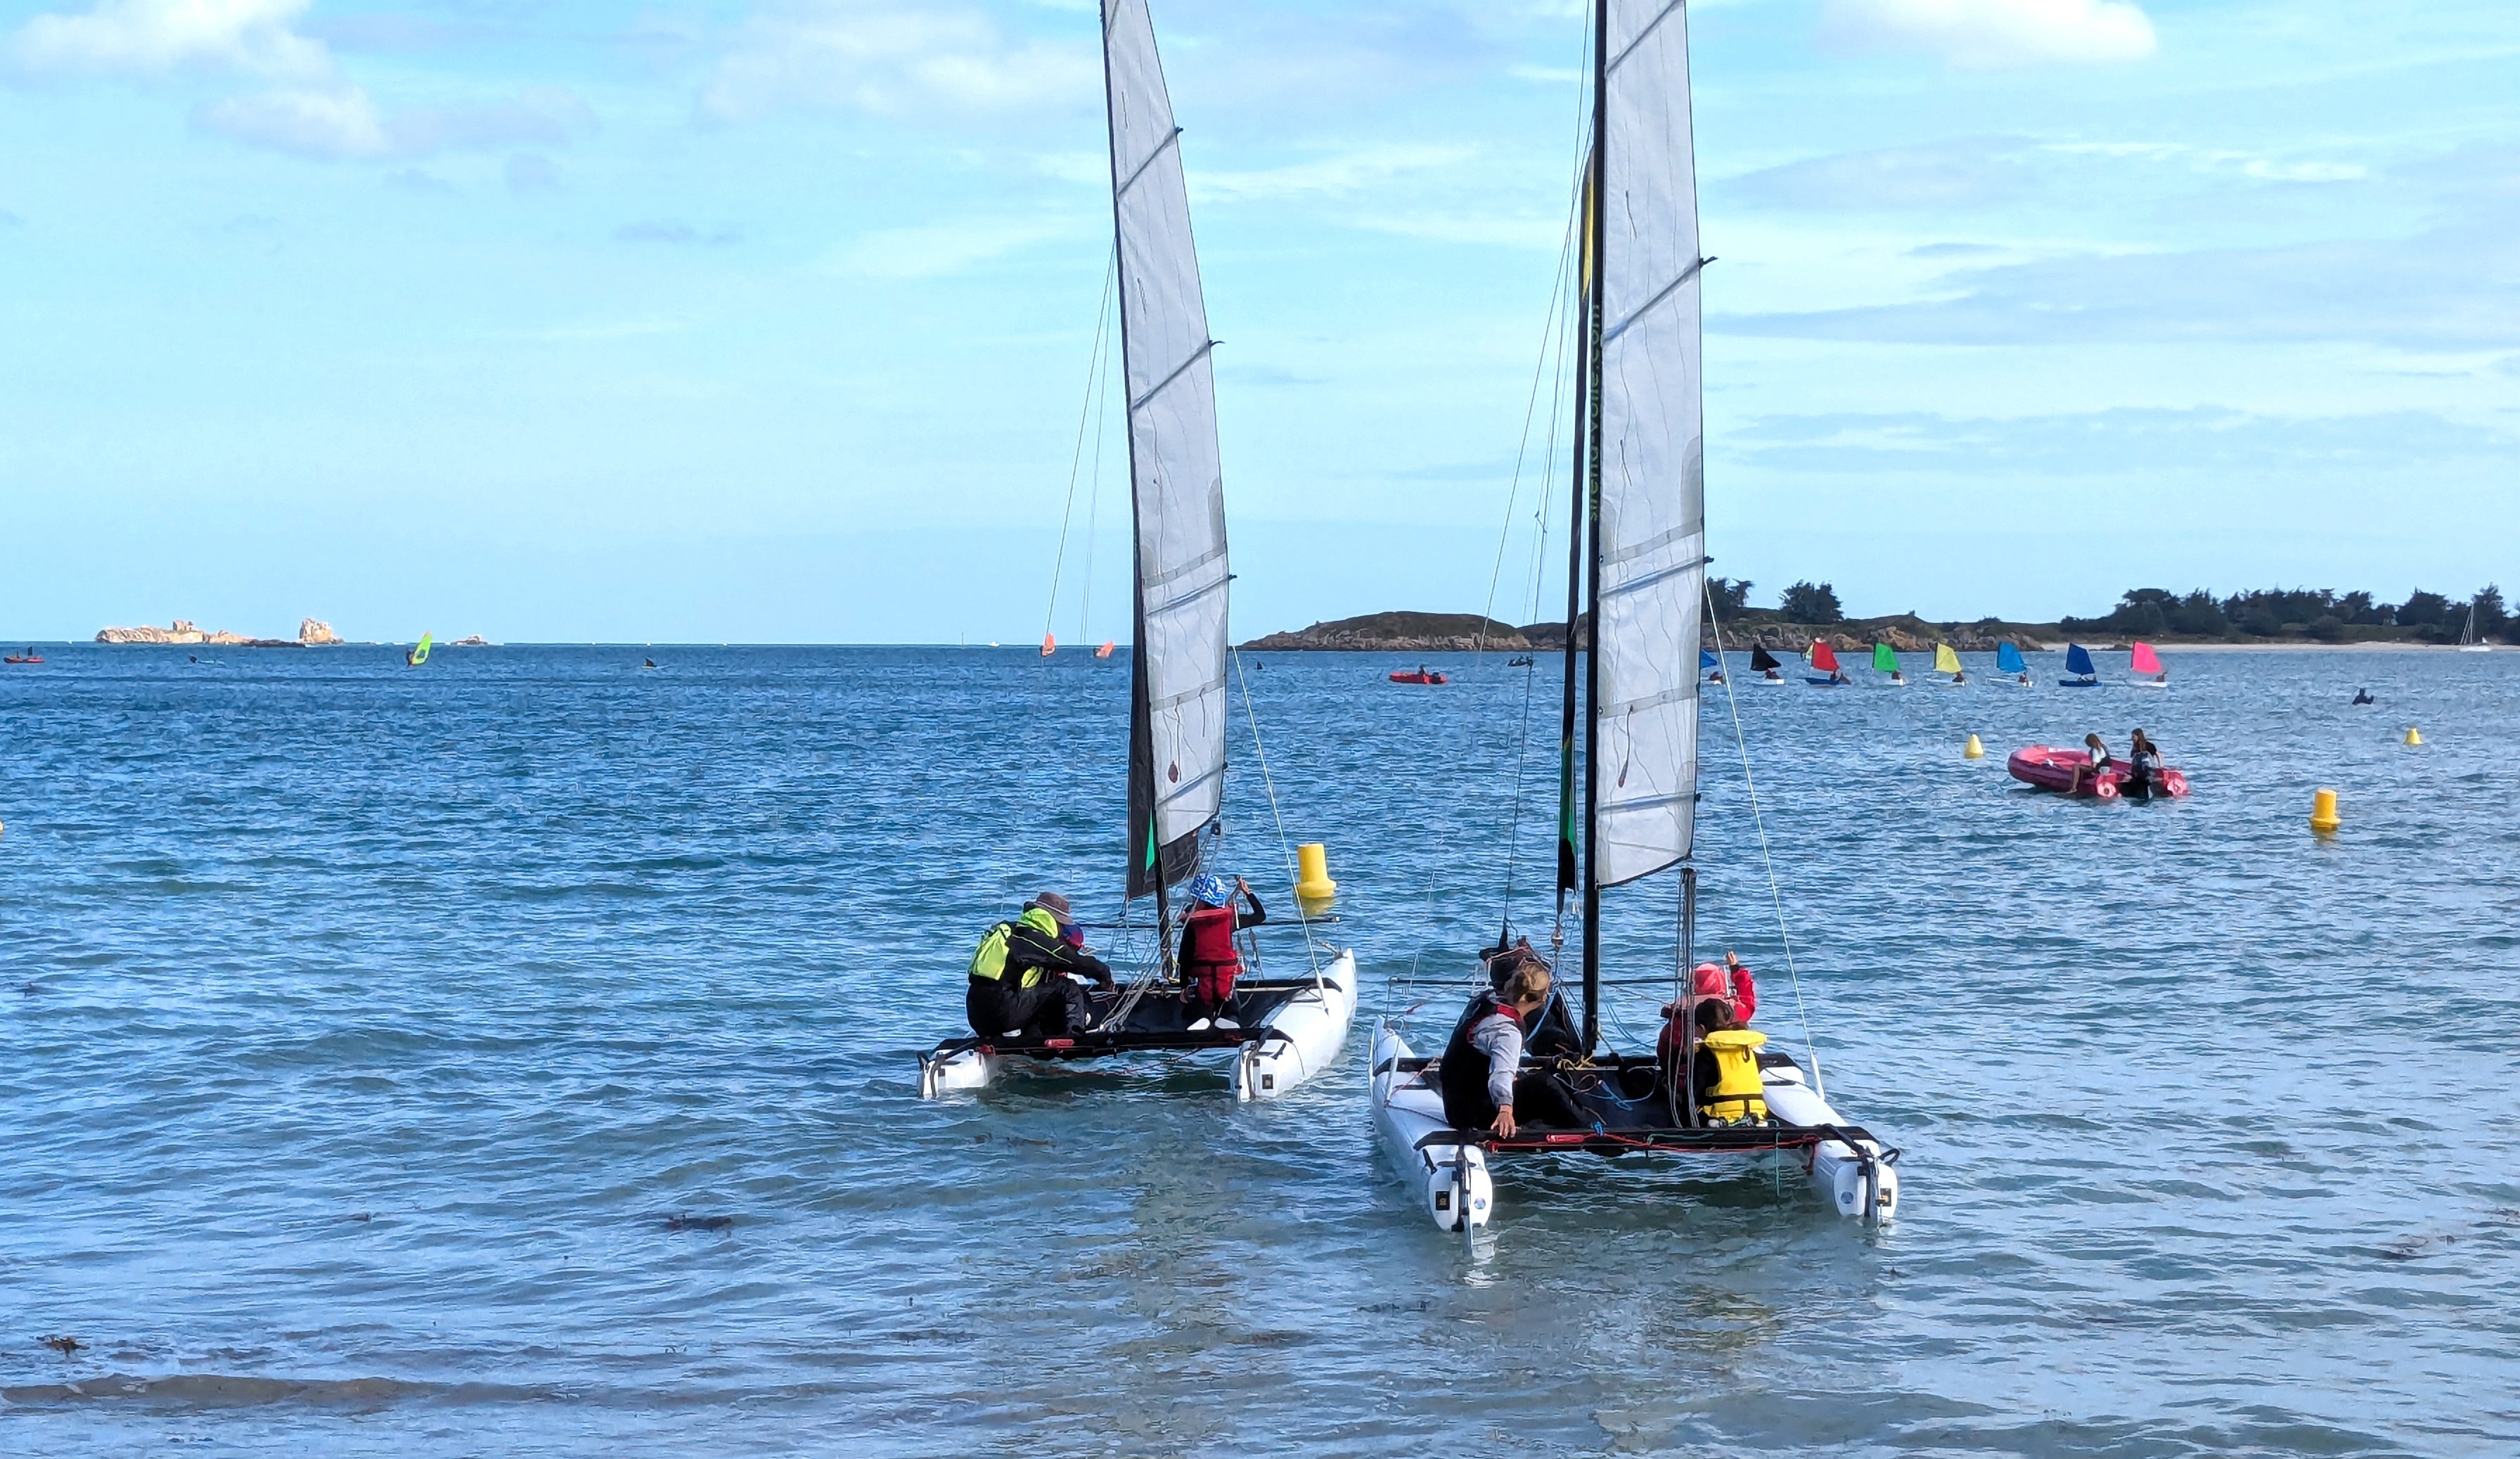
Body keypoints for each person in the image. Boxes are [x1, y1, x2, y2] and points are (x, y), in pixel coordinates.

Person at [1439, 960, 1586, 1138]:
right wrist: (1505, 1110)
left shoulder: (1485, 1001)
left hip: (1454, 1101)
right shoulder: (1507, 1031)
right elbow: (1501, 1074)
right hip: (1474, 1114)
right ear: (1542, 999)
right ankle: (1590, 1131)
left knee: (1525, 1079)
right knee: (1546, 1085)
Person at [965, 891, 1113, 1040]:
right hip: (1004, 1012)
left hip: (976, 1013)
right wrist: (1103, 973)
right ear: (1052, 921)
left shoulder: (1008, 931)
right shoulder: (1033, 938)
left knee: (1037, 989)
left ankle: (1031, 1033)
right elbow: (1071, 961)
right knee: (1067, 987)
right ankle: (1074, 1036)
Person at [1178, 872, 1264, 1029]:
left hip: (1203, 975)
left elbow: (1184, 956)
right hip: (1225, 973)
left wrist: (1183, 985)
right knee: (1230, 998)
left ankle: (1201, 1017)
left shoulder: (1192, 922)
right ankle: (1230, 1018)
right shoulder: (1230, 919)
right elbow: (1260, 916)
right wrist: (1248, 893)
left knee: (1201, 998)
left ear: (1200, 901)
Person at [1655, 950, 1757, 1067]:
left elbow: (1667, 1049)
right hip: (1730, 1069)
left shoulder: (1681, 1012)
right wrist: (1735, 968)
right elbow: (1748, 999)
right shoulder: (1734, 1009)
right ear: (1721, 981)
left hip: (1691, 1075)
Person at [2067, 733, 2114, 797]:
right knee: (2083, 767)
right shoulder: (2103, 746)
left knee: (2076, 766)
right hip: (2107, 769)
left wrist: (2089, 769)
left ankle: (2074, 788)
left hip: (2099, 770)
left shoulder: (2095, 750)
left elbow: (2094, 766)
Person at [2124, 728, 2162, 801]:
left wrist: (2161, 766)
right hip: (2147, 771)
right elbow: (2158, 755)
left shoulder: (2142, 746)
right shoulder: (2142, 746)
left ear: (2138, 736)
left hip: (2142, 772)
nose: (2132, 739)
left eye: (2133, 736)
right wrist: (2161, 766)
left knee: (2127, 778)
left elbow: (2158, 755)